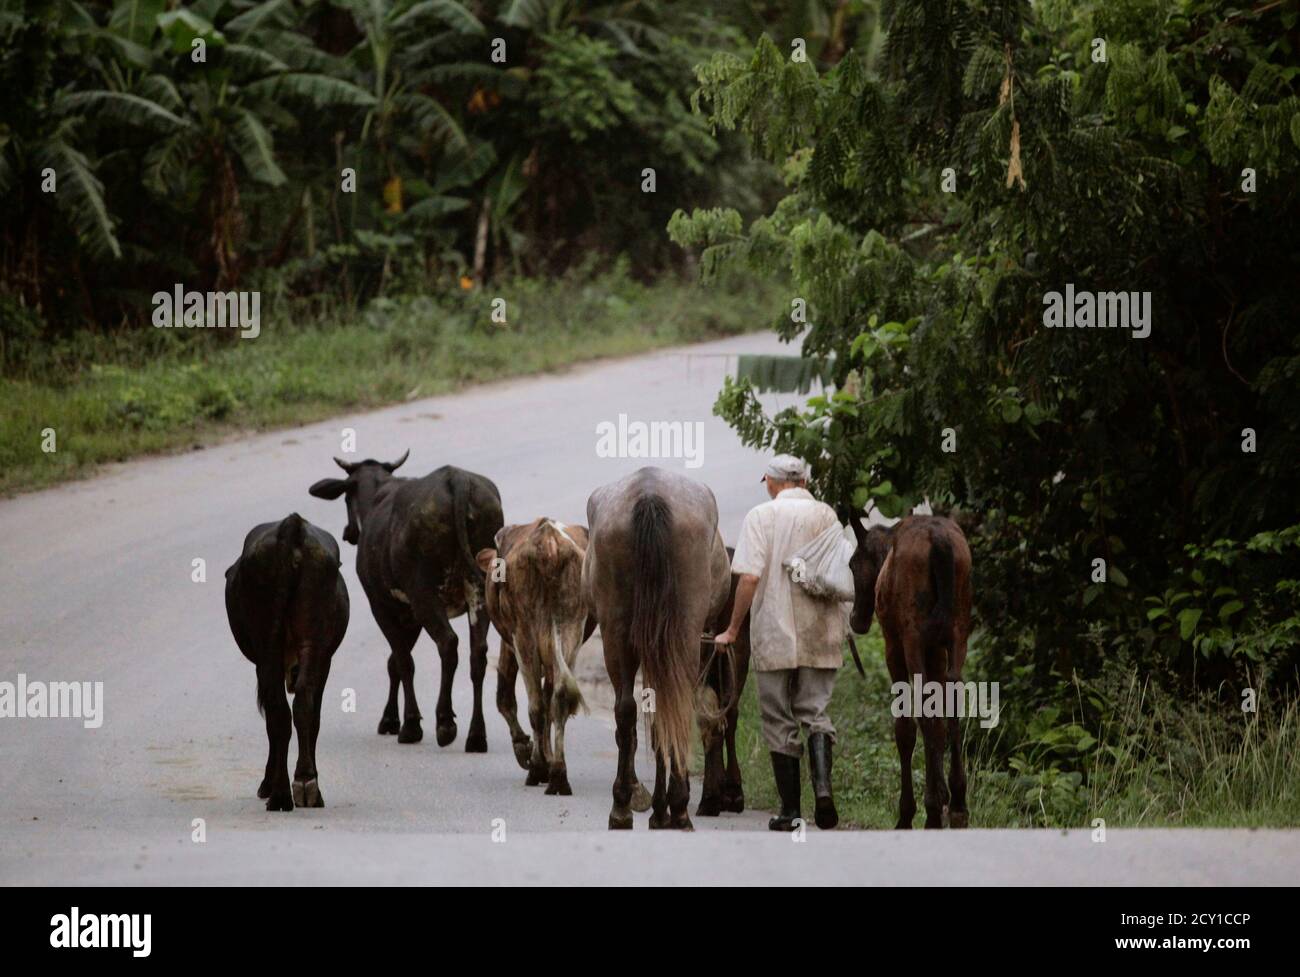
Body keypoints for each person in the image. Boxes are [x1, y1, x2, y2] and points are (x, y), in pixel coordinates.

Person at [713, 454, 847, 831]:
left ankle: (791, 812)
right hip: (821, 631)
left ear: (772, 482)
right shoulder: (827, 516)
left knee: (778, 719)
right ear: (803, 482)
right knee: (815, 713)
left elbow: (750, 579)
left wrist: (733, 629)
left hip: (774, 632)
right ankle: (823, 790)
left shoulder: (760, 517)